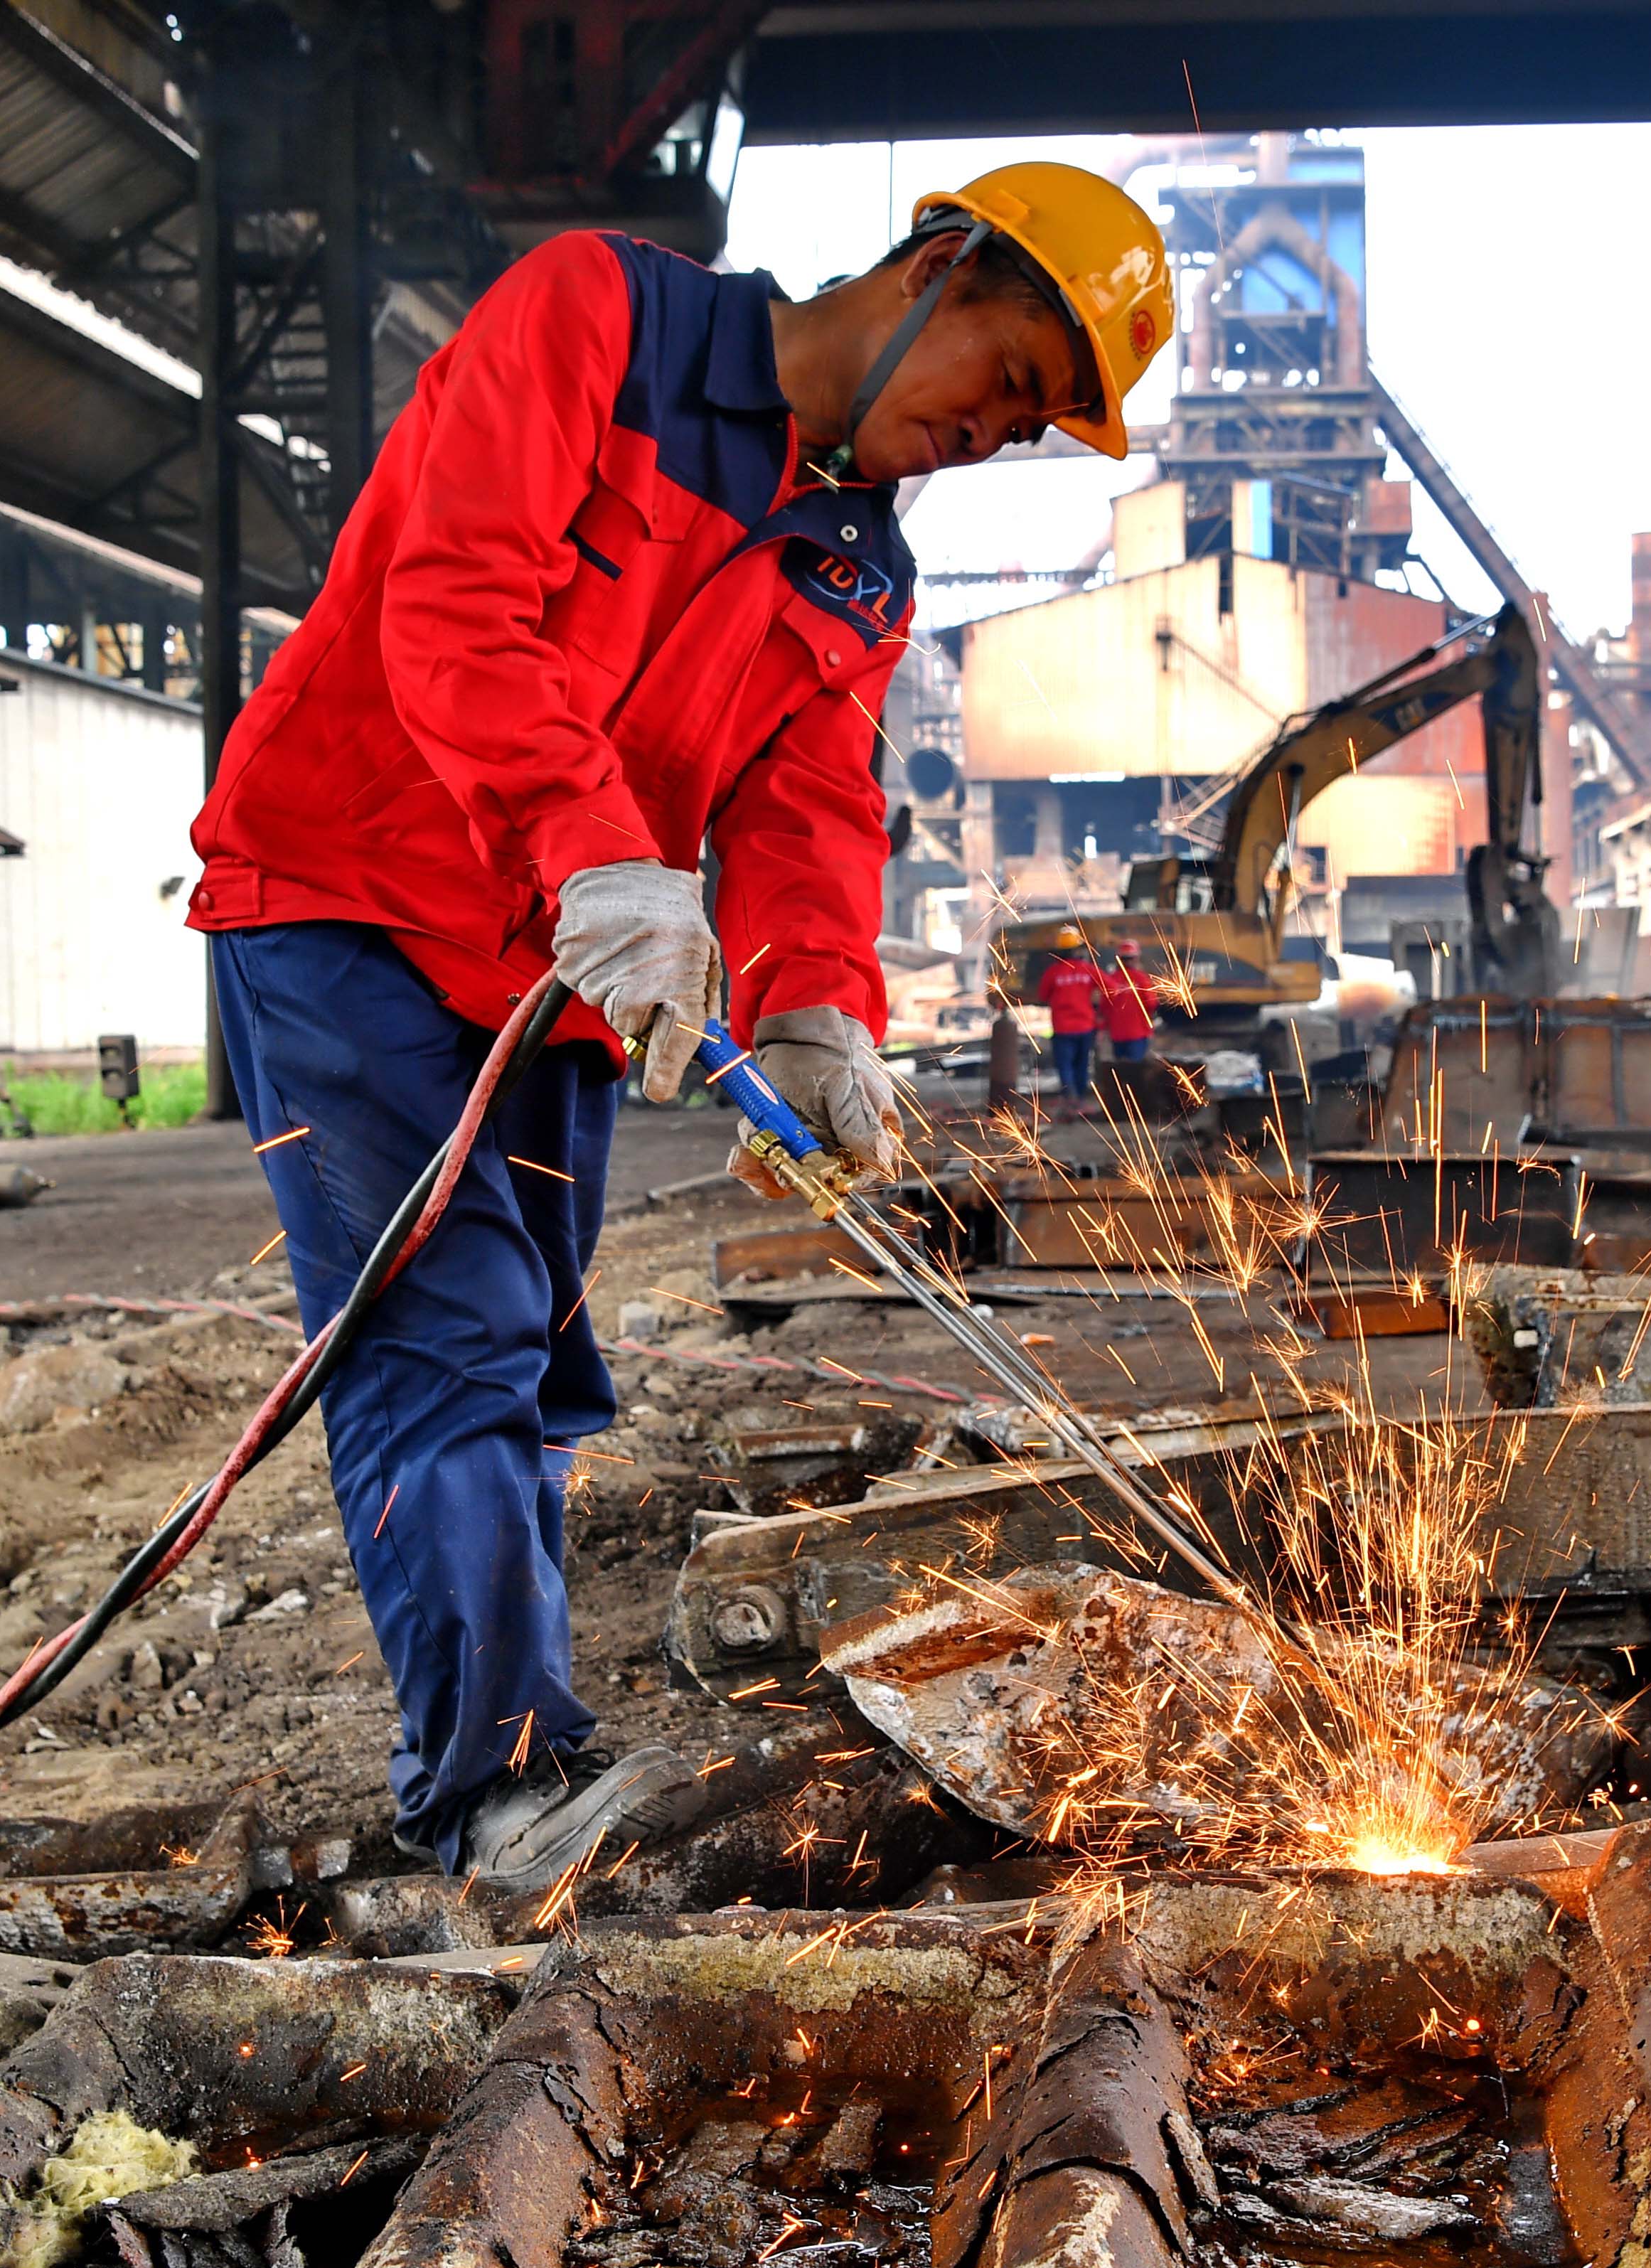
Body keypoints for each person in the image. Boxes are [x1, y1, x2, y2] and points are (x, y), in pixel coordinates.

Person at [183, 165, 1172, 1888]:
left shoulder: (856, 568)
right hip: (347, 894)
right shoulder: (597, 322)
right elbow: (456, 602)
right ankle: (495, 1790)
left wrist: (814, 1017)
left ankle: (509, 1737)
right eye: (1010, 378)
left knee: (534, 1370)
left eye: (1033, 429)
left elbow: (809, 811)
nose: (993, 433)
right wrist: (602, 857)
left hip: (563, 970)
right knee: (450, 1331)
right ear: (937, 266)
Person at [1040, 925, 1102, 1103]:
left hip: (1063, 1028)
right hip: (1085, 1026)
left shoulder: (1053, 973)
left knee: (1065, 1065)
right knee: (1082, 1065)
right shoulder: (1088, 969)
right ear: (1078, 949)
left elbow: (1043, 995)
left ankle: (1070, 1097)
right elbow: (1111, 987)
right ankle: (1080, 1098)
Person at [1101, 939, 1159, 1068]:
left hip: (1117, 1034)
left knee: (1122, 1071)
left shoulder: (1111, 979)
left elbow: (1104, 1007)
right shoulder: (1141, 978)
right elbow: (1152, 1004)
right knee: (1136, 1070)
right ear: (1136, 958)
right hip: (1138, 1033)